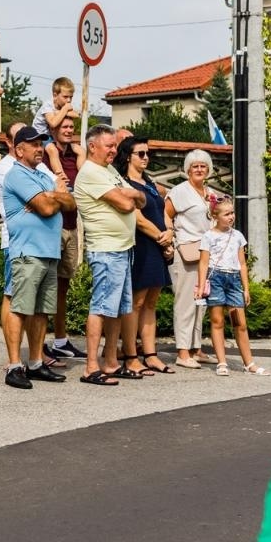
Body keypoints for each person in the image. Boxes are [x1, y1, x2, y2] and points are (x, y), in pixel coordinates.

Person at [0, 124, 74, 389]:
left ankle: (35, 363)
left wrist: (52, 195)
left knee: (42, 310)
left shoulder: (42, 177)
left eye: (41, 143)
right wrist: (53, 198)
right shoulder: (16, 175)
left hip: (48, 251)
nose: (39, 148)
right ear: (19, 150)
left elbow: (70, 203)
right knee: (20, 308)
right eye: (33, 144)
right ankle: (13, 366)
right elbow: (45, 207)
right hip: (27, 252)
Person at [72, 124, 145, 386]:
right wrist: (132, 196)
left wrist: (134, 192)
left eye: (115, 145)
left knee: (117, 308)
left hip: (122, 249)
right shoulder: (91, 172)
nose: (115, 150)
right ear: (92, 147)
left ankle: (111, 361)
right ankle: (91, 366)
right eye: (109, 146)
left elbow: (141, 198)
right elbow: (128, 204)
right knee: (102, 306)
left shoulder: (109, 171)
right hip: (106, 249)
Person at [113, 136, 175, 374]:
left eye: (148, 153)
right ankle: (130, 355)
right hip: (142, 245)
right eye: (141, 153)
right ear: (128, 156)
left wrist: (169, 233)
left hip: (158, 245)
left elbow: (163, 210)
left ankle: (150, 354)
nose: (146, 157)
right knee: (135, 302)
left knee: (151, 302)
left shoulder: (148, 182)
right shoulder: (125, 183)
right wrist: (163, 238)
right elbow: (138, 219)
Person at [197, 198, 269, 376]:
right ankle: (222, 362)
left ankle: (249, 363)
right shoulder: (208, 236)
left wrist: (246, 288)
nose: (231, 217)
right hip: (216, 280)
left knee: (240, 323)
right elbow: (203, 263)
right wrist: (200, 285)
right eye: (226, 214)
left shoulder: (237, 236)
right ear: (215, 216)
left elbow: (242, 263)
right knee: (217, 321)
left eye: (232, 213)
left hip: (233, 280)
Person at [166, 148, 221, 368]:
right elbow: (167, 215)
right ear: (188, 169)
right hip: (186, 251)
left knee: (201, 302)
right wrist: (172, 240)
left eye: (203, 166)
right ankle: (182, 352)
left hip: (206, 252)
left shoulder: (210, 194)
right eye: (195, 166)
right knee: (186, 302)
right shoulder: (179, 191)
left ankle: (196, 347)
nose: (199, 169)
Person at [43, 115, 87, 360]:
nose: (69, 130)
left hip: (71, 226)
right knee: (46, 285)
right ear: (54, 129)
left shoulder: (77, 154)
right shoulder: (48, 154)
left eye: (71, 127)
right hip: (53, 227)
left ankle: (60, 340)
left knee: (63, 287)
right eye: (64, 127)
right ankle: (40, 343)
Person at [31, 76, 78, 140]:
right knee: (53, 149)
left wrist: (59, 112)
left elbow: (76, 115)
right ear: (55, 95)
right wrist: (64, 110)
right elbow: (53, 123)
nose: (69, 100)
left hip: (50, 135)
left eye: (71, 97)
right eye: (65, 97)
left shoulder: (63, 105)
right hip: (39, 135)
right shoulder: (48, 105)